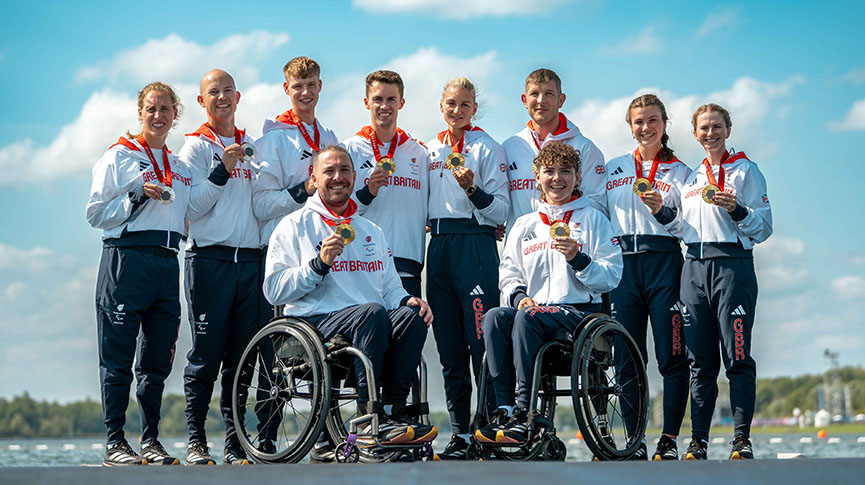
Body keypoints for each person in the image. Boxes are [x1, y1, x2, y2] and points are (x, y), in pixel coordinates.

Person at [263, 145, 438, 456]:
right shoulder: (293, 226)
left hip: (369, 324)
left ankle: (393, 410)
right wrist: (318, 264)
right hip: (316, 324)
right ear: (313, 177)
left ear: (355, 178)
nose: (337, 177)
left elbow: (391, 290)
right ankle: (368, 415)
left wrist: (410, 300)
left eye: (344, 170)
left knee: (412, 316)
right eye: (328, 171)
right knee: (371, 312)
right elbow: (274, 291)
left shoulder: (371, 230)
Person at [475, 143, 623, 445]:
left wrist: (579, 259)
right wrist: (518, 297)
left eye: (565, 171)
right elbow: (509, 273)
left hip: (580, 315)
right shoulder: (524, 225)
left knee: (527, 318)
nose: (557, 178)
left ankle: (524, 410)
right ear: (537, 176)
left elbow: (612, 275)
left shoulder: (594, 220)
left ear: (578, 177)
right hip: (533, 314)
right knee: (493, 317)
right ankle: (504, 408)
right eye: (550, 171)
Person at [648, 103, 772, 460]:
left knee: (736, 356)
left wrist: (737, 209)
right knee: (699, 362)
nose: (710, 133)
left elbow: (764, 228)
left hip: (732, 266)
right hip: (694, 269)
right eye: (703, 128)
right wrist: (659, 209)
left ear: (727, 130)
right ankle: (698, 441)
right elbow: (680, 227)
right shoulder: (692, 178)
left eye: (716, 126)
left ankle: (740, 440)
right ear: (695, 134)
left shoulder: (746, 171)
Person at [86, 82, 195, 466]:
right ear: (140, 112)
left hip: (168, 261)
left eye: (165, 109)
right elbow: (95, 214)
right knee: (117, 357)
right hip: (126, 260)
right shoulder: (119, 156)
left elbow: (195, 211)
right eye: (151, 108)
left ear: (175, 114)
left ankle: (151, 440)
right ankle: (115, 441)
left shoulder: (181, 166)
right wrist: (136, 196)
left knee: (157, 361)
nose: (158, 116)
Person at [177, 69, 259, 466]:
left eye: (228, 91)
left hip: (251, 264)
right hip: (209, 260)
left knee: (242, 359)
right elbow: (190, 209)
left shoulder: (252, 145)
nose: (222, 98)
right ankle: (195, 441)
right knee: (207, 355)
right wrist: (222, 169)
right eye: (214, 92)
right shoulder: (193, 147)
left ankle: (235, 442)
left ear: (238, 97)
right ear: (201, 101)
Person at [425, 78, 509, 459]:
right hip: (439, 248)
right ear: (441, 106)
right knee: (449, 349)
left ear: (474, 109)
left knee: (480, 345)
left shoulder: (487, 147)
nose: (456, 110)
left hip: (475, 245)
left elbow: (501, 212)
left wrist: (473, 190)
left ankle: (487, 428)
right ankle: (459, 432)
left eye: (464, 105)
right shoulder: (429, 149)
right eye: (450, 104)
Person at [604, 94, 691, 460]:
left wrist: (664, 211)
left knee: (671, 355)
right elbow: (594, 213)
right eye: (638, 122)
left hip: (664, 262)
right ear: (630, 126)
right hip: (623, 266)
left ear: (664, 124)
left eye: (652, 120)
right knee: (626, 358)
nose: (645, 128)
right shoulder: (614, 168)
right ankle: (635, 441)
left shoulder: (683, 172)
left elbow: (689, 226)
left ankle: (668, 440)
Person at [343, 70, 429, 297]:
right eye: (378, 99)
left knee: (409, 329)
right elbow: (339, 211)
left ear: (401, 102)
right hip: (362, 261)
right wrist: (367, 192)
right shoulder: (350, 149)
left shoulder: (419, 152)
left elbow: (433, 205)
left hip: (407, 261)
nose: (384, 106)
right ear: (366, 102)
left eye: (391, 99)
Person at [503, 68, 607, 234]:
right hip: (523, 248)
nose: (541, 100)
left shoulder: (585, 148)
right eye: (534, 93)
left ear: (561, 100)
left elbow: (599, 205)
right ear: (524, 100)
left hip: (571, 246)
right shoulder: (509, 147)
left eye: (549, 93)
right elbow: (501, 203)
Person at [253, 56, 339, 255]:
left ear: (320, 86)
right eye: (298, 86)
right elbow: (261, 206)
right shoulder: (274, 138)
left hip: (323, 244)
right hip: (283, 245)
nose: (306, 93)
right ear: (286, 88)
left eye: (311, 85)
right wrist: (305, 189)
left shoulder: (329, 136)